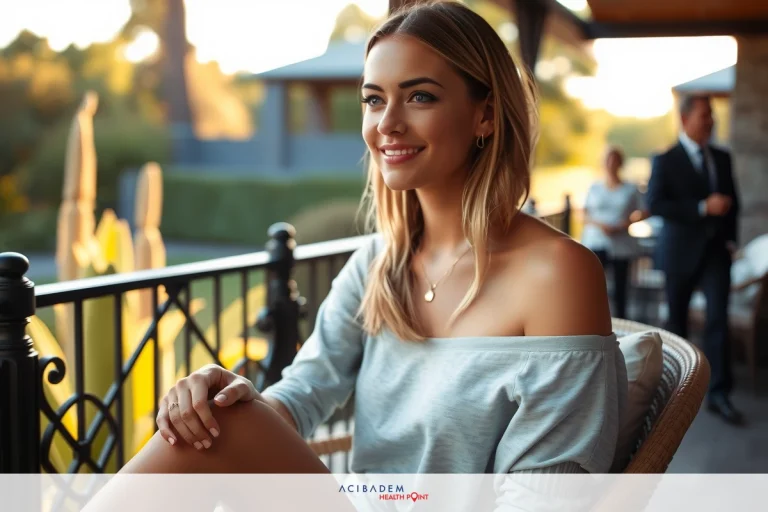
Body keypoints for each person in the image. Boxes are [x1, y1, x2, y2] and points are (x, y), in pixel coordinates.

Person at [115, 1, 628, 503]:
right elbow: (302, 393)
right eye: (373, 99)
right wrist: (224, 392)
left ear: (486, 116)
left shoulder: (558, 273)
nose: (387, 123)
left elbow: (549, 491)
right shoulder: (378, 264)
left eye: (420, 97)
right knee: (213, 414)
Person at [646, 94, 742, 425]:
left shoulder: (722, 157)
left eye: (712, 115)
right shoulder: (665, 159)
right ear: (685, 119)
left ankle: (719, 394)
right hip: (679, 254)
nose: (711, 121)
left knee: (718, 321)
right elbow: (656, 204)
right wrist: (702, 207)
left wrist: (731, 240)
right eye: (705, 115)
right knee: (677, 324)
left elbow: (734, 202)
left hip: (717, 254)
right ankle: (676, 394)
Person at [582, 146, 648, 319]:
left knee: (620, 289)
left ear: (620, 163)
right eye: (608, 160)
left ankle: (620, 322)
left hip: (621, 245)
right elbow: (584, 214)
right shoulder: (594, 188)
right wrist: (600, 224)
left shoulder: (630, 189)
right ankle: (594, 320)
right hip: (596, 242)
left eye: (614, 159)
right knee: (593, 287)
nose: (611, 164)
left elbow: (645, 211)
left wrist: (625, 224)